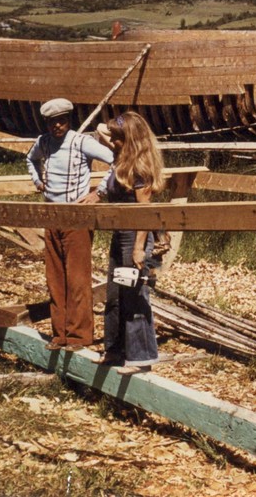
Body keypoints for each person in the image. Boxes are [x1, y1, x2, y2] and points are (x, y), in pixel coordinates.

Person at [26, 98, 114, 352]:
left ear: (69, 119)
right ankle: (60, 334)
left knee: (76, 277)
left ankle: (78, 336)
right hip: (52, 215)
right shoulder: (43, 142)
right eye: (53, 122)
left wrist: (99, 193)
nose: (57, 126)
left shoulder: (81, 142)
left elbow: (117, 161)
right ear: (47, 122)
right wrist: (37, 181)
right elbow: (30, 160)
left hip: (76, 215)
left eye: (62, 120)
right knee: (55, 277)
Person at [82, 111, 165, 371]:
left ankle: (140, 358)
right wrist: (118, 127)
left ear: (130, 140)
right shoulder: (121, 159)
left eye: (118, 140)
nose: (112, 143)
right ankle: (115, 350)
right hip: (119, 235)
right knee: (115, 294)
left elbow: (145, 212)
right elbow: (101, 129)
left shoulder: (140, 168)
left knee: (135, 296)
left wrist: (140, 248)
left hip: (135, 235)